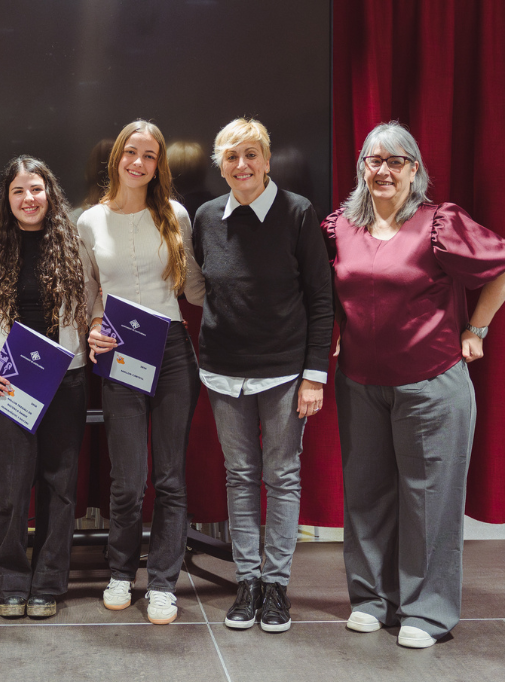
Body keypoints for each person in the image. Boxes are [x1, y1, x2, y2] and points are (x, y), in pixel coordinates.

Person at [324, 121, 505, 649]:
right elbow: (325, 291)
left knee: (429, 500)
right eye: (373, 161)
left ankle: (427, 613)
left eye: (395, 161)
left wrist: (476, 329)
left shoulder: (440, 222)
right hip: (360, 384)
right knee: (366, 497)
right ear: (362, 168)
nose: (382, 170)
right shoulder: (340, 225)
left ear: (414, 170)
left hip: (431, 386)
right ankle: (370, 600)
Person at [191, 118, 333, 634]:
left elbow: (322, 300)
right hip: (223, 373)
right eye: (231, 157)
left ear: (268, 160)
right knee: (240, 476)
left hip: (284, 374)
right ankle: (247, 581)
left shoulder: (297, 213)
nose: (242, 165)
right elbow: (204, 286)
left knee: (283, 475)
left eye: (251, 154)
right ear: (220, 166)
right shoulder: (206, 216)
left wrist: (314, 375)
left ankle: (276, 585)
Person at [79, 120, 205, 625]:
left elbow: (193, 284)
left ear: (159, 165)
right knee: (129, 479)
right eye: (131, 152)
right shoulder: (88, 221)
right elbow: (89, 292)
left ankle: (163, 584)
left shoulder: (175, 214)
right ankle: (119, 572)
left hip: (172, 348)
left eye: (149, 155)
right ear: (117, 160)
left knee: (171, 478)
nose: (139, 162)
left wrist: (247, 297)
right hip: (119, 352)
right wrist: (92, 326)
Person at [0, 156, 98, 619]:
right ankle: (10, 581)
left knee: (59, 486)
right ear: (7, 199)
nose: (29, 199)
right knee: (9, 487)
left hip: (66, 380)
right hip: (9, 381)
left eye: (37, 189)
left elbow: (95, 299)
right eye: (19, 191)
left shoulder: (74, 240)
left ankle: (48, 582)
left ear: (50, 193)